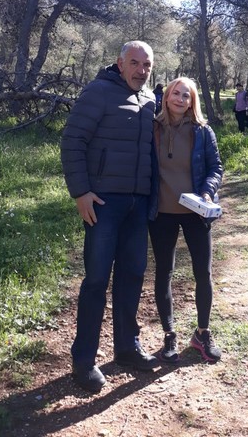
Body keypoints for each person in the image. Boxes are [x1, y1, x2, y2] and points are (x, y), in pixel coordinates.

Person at [61, 41, 157, 393]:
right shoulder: (98, 92)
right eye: (134, 63)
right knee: (97, 280)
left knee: (132, 275)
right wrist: (81, 192)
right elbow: (72, 140)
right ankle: (84, 361)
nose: (141, 70)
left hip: (137, 204)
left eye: (147, 65)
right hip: (103, 202)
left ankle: (127, 348)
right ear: (120, 63)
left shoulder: (149, 99)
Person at [148, 77, 224, 364]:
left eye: (186, 96)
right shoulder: (151, 129)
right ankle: (169, 334)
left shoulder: (203, 131)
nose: (180, 99)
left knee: (203, 273)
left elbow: (216, 168)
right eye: (176, 94)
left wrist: (206, 193)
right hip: (161, 213)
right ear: (166, 96)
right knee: (164, 272)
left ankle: (202, 333)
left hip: (196, 213)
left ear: (193, 101)